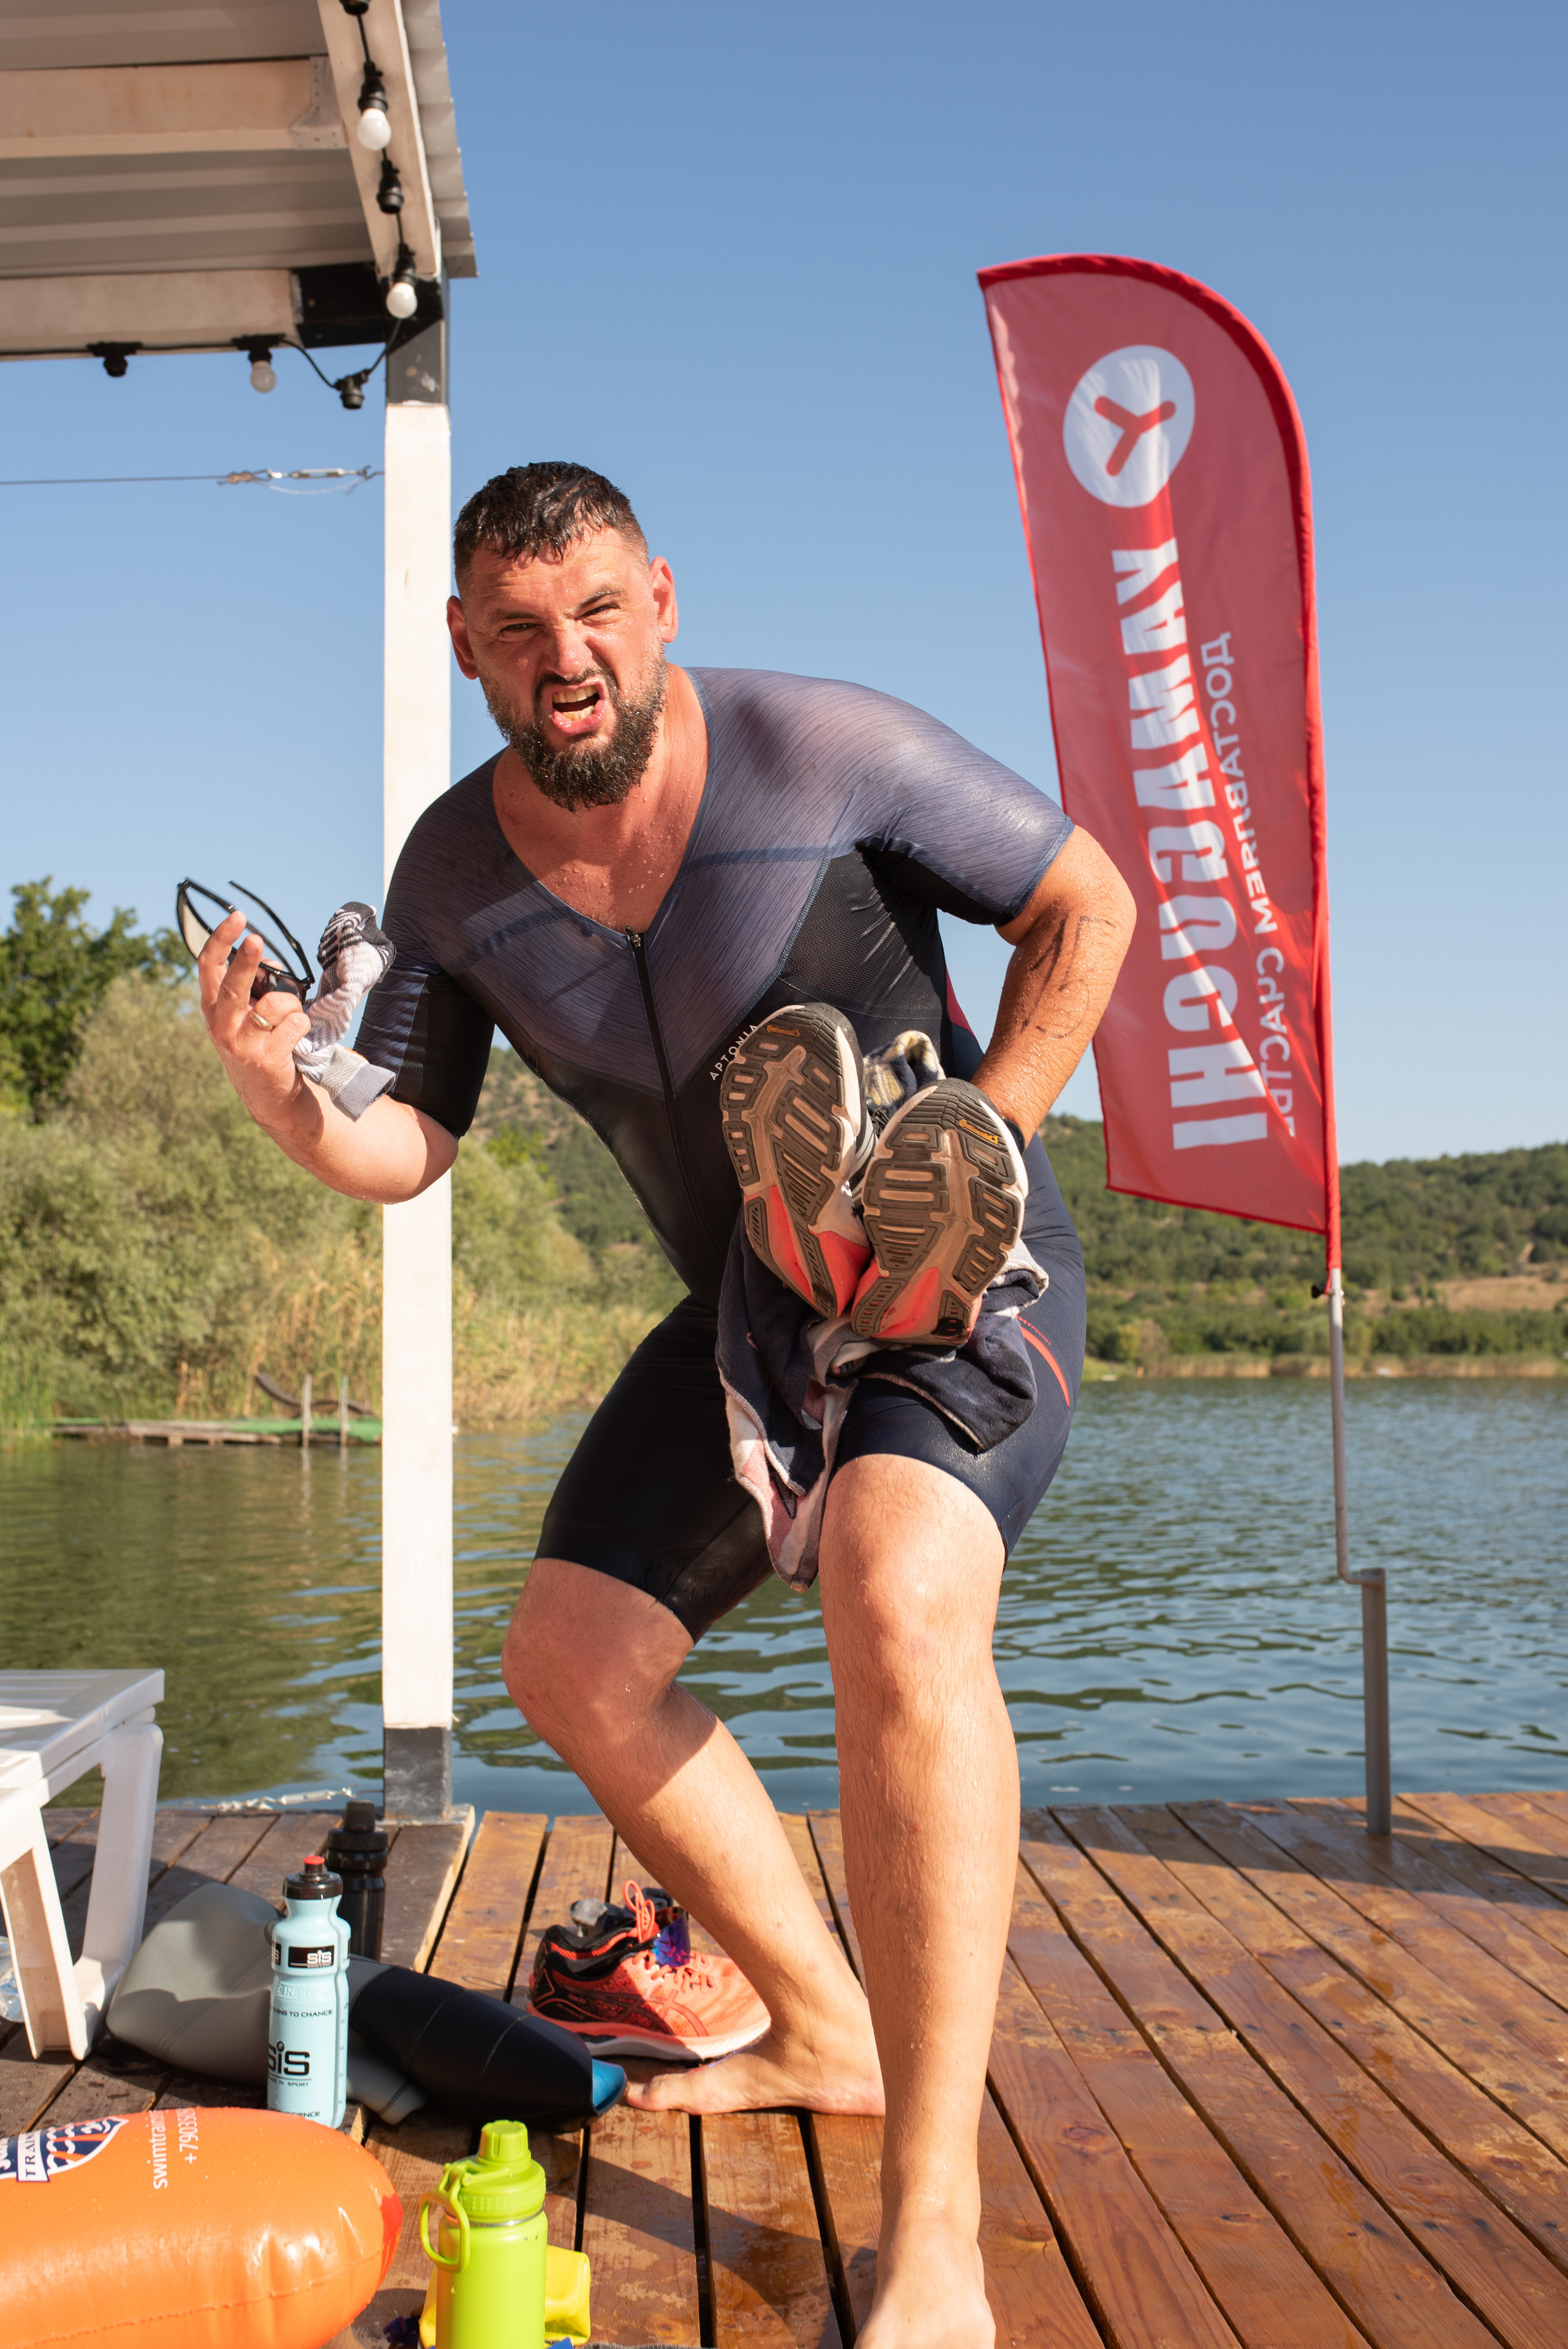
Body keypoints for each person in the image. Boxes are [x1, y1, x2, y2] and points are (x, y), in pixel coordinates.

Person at [197, 462, 1133, 2348]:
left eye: (603, 610)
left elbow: (1082, 904)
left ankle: (931, 2229)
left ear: (664, 599)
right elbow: (413, 1141)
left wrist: (990, 1124)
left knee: (894, 1582)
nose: (572, 659)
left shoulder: (824, 748)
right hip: (751, 1310)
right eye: (525, 630)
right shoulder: (451, 874)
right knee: (570, 1654)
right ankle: (828, 2024)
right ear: (466, 645)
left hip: (954, 1265)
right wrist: (286, 1091)